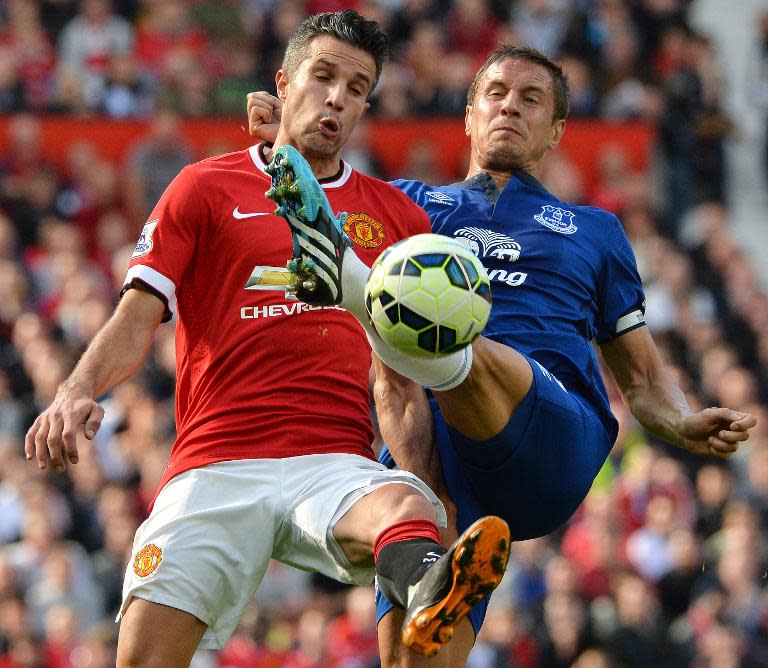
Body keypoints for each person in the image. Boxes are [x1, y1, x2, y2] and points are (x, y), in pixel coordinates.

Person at [24, 11, 511, 668]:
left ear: (367, 103)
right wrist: (76, 389)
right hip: (215, 462)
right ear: (284, 82)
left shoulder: (398, 219)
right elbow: (138, 314)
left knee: (403, 505)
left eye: (358, 86)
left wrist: (430, 494)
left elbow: (396, 378)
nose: (337, 96)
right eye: (323, 75)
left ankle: (428, 579)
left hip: (331, 461)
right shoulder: (203, 186)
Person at [248, 43, 757, 667]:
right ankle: (436, 546)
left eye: (530, 99)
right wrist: (282, 145)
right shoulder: (407, 204)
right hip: (442, 456)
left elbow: (644, 376)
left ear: (556, 132)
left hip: (551, 438)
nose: (510, 107)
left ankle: (388, 306)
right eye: (496, 94)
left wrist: (680, 421)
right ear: (468, 115)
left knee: (423, 317)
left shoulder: (595, 230)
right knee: (409, 651)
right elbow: (376, 351)